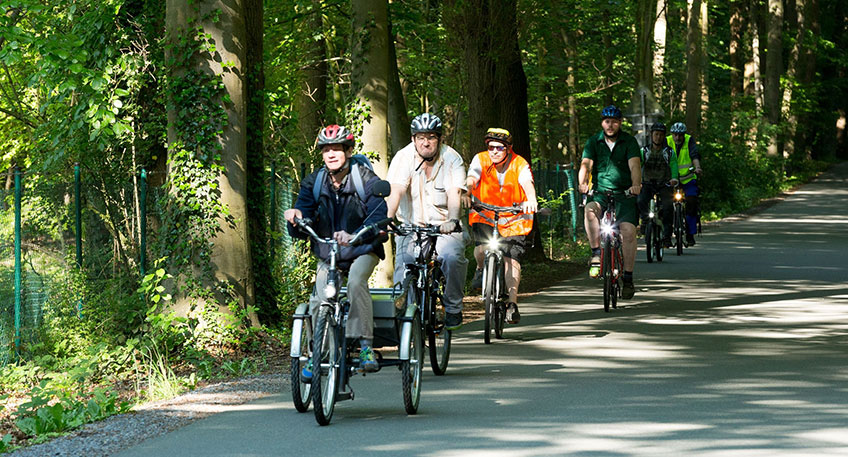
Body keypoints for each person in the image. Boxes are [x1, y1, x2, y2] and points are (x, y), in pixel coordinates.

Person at [284, 124, 388, 378]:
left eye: (337, 149)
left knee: (355, 283)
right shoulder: (314, 182)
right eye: (326, 150)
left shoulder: (366, 180)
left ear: (349, 151)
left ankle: (365, 347)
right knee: (320, 298)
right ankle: (319, 353)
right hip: (328, 252)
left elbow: (380, 215)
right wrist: (295, 218)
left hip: (362, 249)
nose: (331, 154)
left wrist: (355, 235)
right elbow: (304, 214)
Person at [386, 113, 468, 330]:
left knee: (451, 258)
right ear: (413, 139)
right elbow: (396, 191)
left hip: (444, 227)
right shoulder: (403, 158)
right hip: (411, 227)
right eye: (420, 137)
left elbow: (454, 192)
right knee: (403, 267)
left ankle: (452, 308)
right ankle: (407, 316)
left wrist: (452, 219)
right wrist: (386, 219)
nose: (426, 142)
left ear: (440, 139)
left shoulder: (452, 158)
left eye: (431, 137)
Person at [466, 128, 538, 324]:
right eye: (491, 147)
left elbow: (526, 182)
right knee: (481, 250)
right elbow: (472, 178)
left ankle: (512, 304)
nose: (495, 151)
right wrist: (467, 192)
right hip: (485, 214)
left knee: (511, 259)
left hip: (513, 219)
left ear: (508, 149)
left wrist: (531, 199)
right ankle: (481, 269)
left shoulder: (519, 163)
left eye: (500, 147)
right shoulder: (480, 159)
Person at [578, 105, 641, 299]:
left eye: (614, 121)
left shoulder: (629, 141)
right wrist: (582, 183)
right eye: (607, 121)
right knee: (590, 210)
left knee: (629, 233)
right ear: (602, 123)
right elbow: (586, 165)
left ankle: (628, 278)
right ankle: (596, 253)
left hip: (624, 194)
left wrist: (636, 184)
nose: (610, 125)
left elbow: (635, 166)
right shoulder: (593, 142)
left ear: (620, 122)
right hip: (600, 194)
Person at [638, 122, 679, 248]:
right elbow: (637, 167)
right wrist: (636, 180)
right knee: (640, 200)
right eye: (656, 134)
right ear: (651, 135)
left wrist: (674, 178)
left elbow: (673, 166)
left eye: (661, 135)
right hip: (647, 183)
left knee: (668, 207)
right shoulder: (644, 151)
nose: (658, 137)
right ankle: (645, 222)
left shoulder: (669, 152)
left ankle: (667, 236)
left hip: (664, 184)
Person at [667, 122, 703, 246]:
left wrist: (697, 168)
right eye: (675, 135)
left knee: (692, 202)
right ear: (672, 134)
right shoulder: (666, 141)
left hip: (688, 178)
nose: (677, 137)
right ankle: (665, 233)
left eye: (680, 135)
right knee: (664, 204)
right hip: (671, 180)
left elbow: (694, 155)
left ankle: (690, 234)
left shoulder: (689, 141)